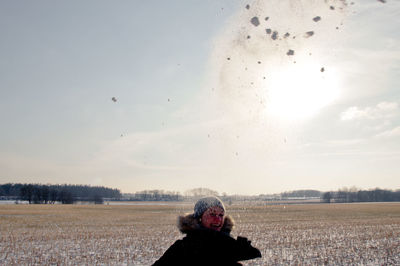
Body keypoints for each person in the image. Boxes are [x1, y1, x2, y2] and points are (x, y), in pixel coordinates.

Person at [152, 196, 261, 266]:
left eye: (221, 215)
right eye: (212, 214)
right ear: (199, 218)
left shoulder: (226, 243)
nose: (217, 219)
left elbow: (255, 254)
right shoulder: (184, 247)